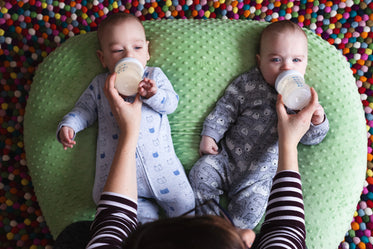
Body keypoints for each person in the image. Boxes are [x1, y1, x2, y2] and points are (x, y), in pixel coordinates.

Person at [86, 70, 318, 249]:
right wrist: (290, 141)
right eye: (242, 246)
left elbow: (112, 218)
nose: (250, 234)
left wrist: (128, 132)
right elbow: (287, 231)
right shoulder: (249, 83)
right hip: (232, 163)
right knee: (203, 172)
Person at [188, 20, 330, 231]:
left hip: (258, 178)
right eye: (275, 59)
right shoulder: (248, 83)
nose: (286, 67)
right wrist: (210, 135)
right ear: (259, 61)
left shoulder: (304, 100)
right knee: (200, 172)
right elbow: (226, 108)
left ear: (305, 63)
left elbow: (309, 138)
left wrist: (317, 120)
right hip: (226, 159)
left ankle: (231, 235)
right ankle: (211, 225)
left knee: (251, 211)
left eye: (296, 60)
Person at [56, 13, 195, 223]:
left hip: (166, 173)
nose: (128, 55)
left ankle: (189, 237)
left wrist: (154, 95)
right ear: (102, 58)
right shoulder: (101, 85)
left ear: (147, 51)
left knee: (185, 204)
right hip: (120, 179)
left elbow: (171, 104)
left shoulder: (153, 76)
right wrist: (69, 125)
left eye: (137, 48)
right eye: (117, 50)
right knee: (139, 228)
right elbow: (84, 110)